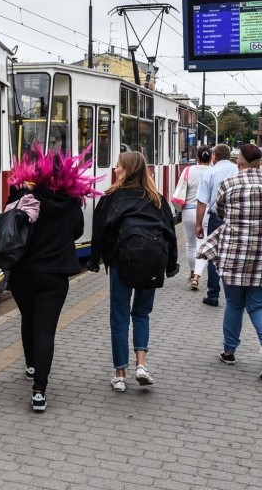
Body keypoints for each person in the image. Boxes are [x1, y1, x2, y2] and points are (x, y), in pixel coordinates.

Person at [6, 144, 98, 412]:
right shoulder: (71, 203)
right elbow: (78, 233)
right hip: (55, 276)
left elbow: (9, 225)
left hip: (24, 273)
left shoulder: (26, 197)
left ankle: (31, 364)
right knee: (45, 329)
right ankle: (39, 391)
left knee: (28, 319)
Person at [197, 144, 262, 380]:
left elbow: (219, 212)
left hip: (235, 255)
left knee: (234, 303)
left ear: (239, 162)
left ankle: (229, 351)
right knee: (260, 306)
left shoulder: (229, 184)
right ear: (260, 163)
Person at [88, 151, 178, 391]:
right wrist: (171, 266)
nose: (115, 170)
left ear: (126, 170)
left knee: (119, 317)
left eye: (118, 166)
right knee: (141, 314)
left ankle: (119, 374)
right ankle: (141, 365)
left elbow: (99, 231)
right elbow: (170, 233)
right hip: (152, 262)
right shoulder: (157, 198)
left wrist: (94, 260)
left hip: (122, 261)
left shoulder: (111, 197)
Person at [195, 144, 238, 307]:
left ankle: (213, 295)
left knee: (215, 255)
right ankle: (234, 295)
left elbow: (202, 202)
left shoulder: (209, 173)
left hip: (216, 218)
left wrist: (198, 224)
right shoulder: (237, 170)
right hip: (237, 217)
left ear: (214, 156)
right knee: (234, 253)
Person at [176, 145, 212, 291]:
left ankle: (192, 273)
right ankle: (197, 275)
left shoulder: (188, 170)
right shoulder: (213, 171)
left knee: (190, 244)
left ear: (197, 157)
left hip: (188, 211)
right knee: (202, 244)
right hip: (206, 212)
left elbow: (180, 189)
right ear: (211, 158)